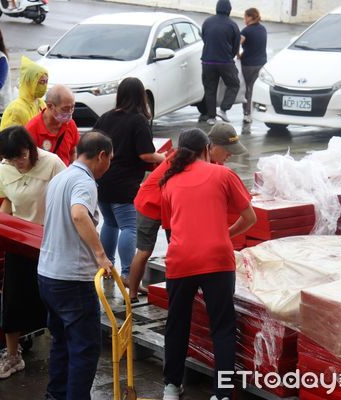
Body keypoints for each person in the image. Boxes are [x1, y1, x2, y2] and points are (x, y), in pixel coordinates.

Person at [158, 128, 256, 400]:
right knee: (223, 326)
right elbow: (250, 218)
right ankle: (222, 393)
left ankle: (170, 387)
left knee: (177, 324)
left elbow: (169, 229)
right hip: (217, 259)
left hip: (180, 260)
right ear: (206, 149)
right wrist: (224, 234)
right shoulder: (223, 175)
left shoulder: (169, 182)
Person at [128, 122, 247, 302]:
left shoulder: (208, 162)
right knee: (145, 250)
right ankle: (132, 293)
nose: (230, 154)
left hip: (171, 206)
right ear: (210, 146)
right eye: (227, 149)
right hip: (151, 203)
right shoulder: (184, 158)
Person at [37, 131, 113, 400]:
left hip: (48, 274)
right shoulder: (84, 181)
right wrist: (101, 255)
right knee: (85, 348)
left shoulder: (60, 178)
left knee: (62, 342)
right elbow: (79, 214)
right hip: (73, 278)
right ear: (101, 155)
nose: (108, 166)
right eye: (109, 160)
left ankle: (56, 395)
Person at [0, 126, 65, 379]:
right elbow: (8, 202)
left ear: (30, 149)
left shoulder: (52, 163)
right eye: (12, 159)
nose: (19, 163)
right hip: (19, 244)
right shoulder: (3, 169)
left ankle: (62, 351)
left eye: (22, 156)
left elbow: (67, 198)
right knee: (11, 301)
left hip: (49, 243)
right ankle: (12, 355)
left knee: (53, 299)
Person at [93, 77, 165, 284]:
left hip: (102, 180)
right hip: (124, 184)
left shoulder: (106, 117)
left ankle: (106, 268)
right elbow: (146, 155)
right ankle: (126, 273)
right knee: (129, 226)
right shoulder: (138, 120)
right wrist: (166, 159)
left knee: (110, 223)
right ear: (141, 96)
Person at [201, 0, 241, 125]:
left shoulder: (207, 22)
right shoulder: (233, 25)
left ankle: (211, 117)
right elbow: (236, 45)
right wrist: (231, 56)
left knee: (210, 89)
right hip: (225, 62)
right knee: (234, 84)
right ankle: (223, 109)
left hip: (207, 61)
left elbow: (204, 38)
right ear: (229, 10)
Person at [26, 84, 79, 166]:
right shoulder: (32, 129)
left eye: (72, 107)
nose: (70, 112)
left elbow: (73, 152)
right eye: (65, 108)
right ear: (50, 106)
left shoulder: (70, 124)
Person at [0, 56, 48, 130]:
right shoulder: (15, 109)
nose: (44, 86)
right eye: (41, 82)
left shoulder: (41, 104)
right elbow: (11, 139)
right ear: (29, 83)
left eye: (46, 82)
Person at [239, 8, 267, 124]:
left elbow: (237, 43)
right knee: (255, 89)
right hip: (261, 63)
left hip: (248, 64)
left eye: (245, 17)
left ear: (250, 17)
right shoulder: (263, 29)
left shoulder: (246, 31)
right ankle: (252, 112)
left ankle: (247, 113)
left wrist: (237, 55)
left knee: (247, 89)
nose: (244, 19)